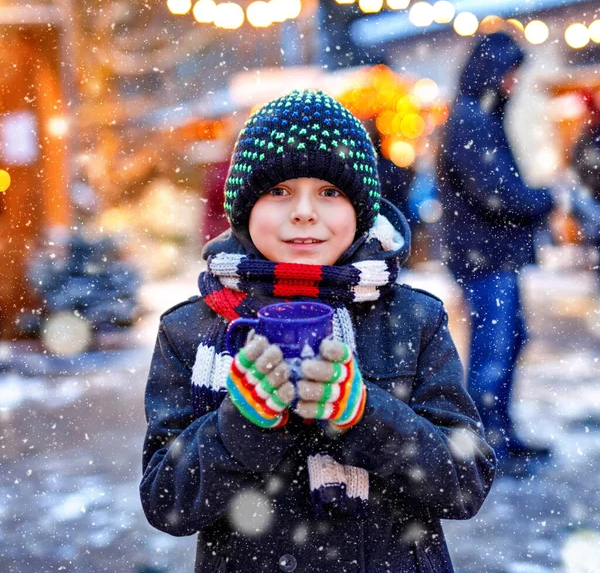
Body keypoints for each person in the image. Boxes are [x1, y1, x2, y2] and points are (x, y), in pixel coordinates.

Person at [140, 90, 495, 572]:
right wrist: (241, 423)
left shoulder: (412, 320)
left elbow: (466, 482)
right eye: (278, 191)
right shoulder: (191, 330)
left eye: (330, 192)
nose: (304, 212)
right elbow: (167, 502)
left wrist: (367, 415)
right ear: (244, 209)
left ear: (362, 210)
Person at [437, 33, 554, 469]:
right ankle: (487, 445)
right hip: (482, 257)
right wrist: (544, 199)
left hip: (491, 254)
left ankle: (500, 433)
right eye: (511, 72)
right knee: (494, 351)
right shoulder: (471, 119)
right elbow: (497, 193)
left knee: (508, 343)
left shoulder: (480, 116)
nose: (515, 82)